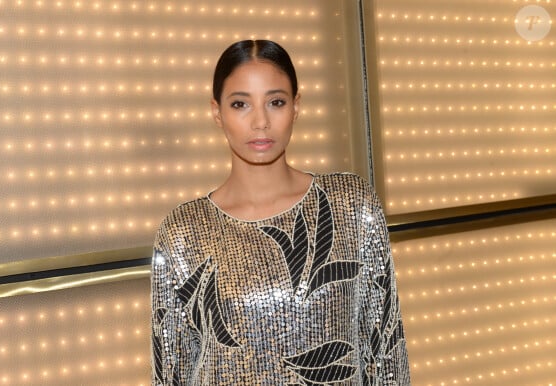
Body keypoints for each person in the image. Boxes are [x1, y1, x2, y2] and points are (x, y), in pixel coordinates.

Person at [151, 39, 410, 385]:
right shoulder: (184, 230)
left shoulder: (350, 204)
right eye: (240, 104)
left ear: (296, 106)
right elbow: (172, 370)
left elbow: (385, 349)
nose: (260, 121)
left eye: (275, 102)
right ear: (217, 113)